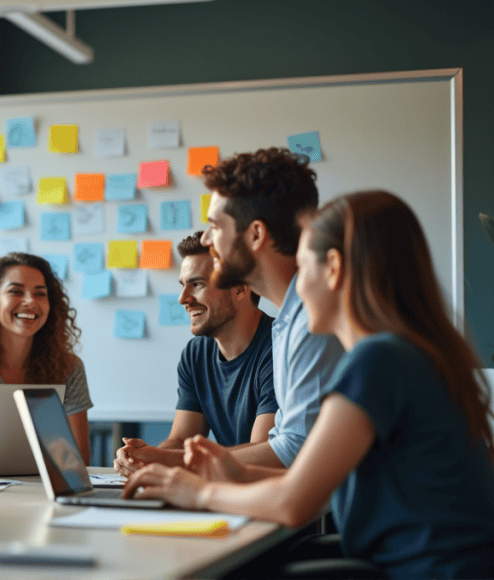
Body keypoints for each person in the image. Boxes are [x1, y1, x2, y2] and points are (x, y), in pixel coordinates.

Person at [124, 190, 494, 578]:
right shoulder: (406, 354)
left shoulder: (377, 361)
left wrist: (198, 492)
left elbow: (293, 504)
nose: (295, 292)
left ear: (332, 267)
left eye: (302, 269)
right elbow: (321, 482)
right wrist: (238, 473)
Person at [197, 147, 344, 468]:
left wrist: (187, 470)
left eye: (217, 226)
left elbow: (294, 450)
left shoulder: (312, 322)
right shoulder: (289, 319)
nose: (207, 239)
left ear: (256, 234)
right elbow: (283, 441)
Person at [115, 232, 276, 473]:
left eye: (198, 284)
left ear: (241, 288)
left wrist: (165, 459)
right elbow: (180, 440)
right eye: (183, 286)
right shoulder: (196, 353)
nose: (183, 299)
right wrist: (145, 458)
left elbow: (263, 452)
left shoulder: (280, 347)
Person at [0, 253, 93, 467]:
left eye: (40, 293)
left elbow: (79, 457)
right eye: (15, 291)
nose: (30, 301)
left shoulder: (70, 367)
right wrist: (20, 458)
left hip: (46, 488)